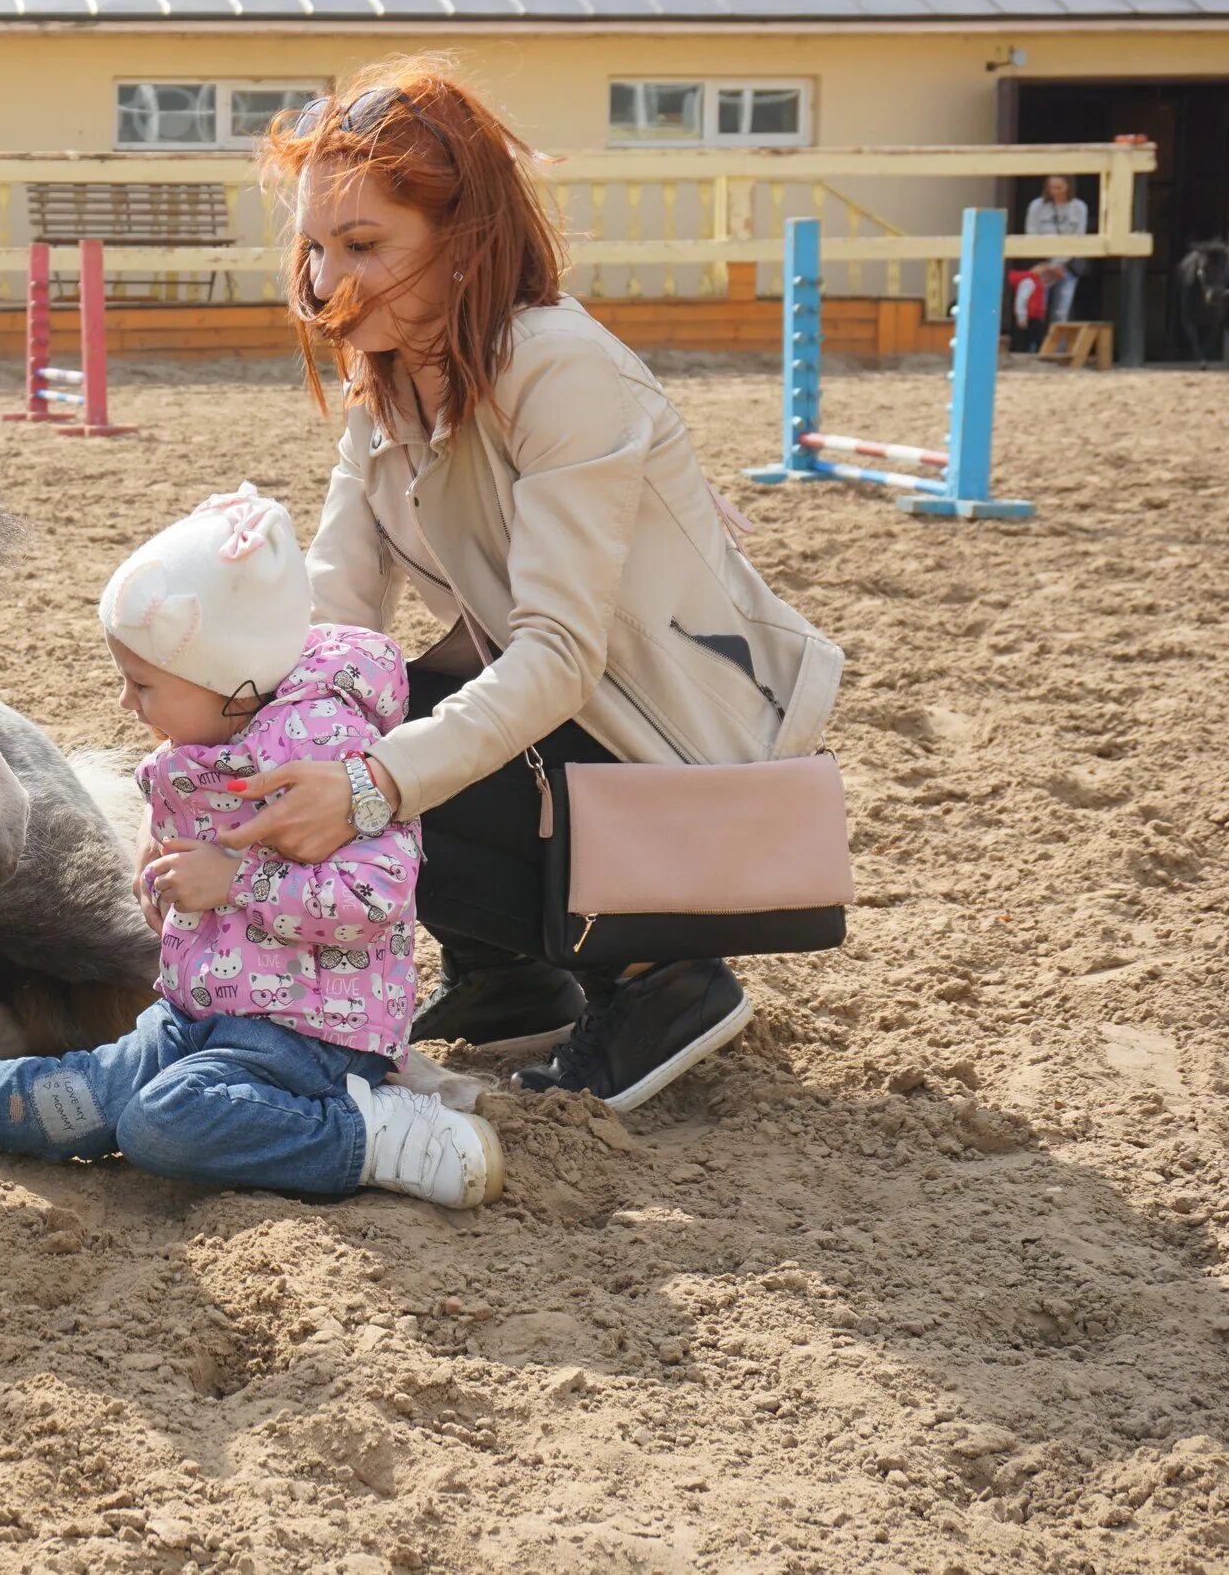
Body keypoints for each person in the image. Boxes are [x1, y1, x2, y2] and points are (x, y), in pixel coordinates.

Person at [201, 59, 841, 1112]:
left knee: (393, 763)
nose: (322, 282)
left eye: (364, 247)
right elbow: (335, 608)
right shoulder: (392, 382)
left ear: (465, 248)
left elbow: (558, 652)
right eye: (314, 246)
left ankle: (659, 978)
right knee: (347, 715)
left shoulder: (559, 368)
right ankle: (509, 974)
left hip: (692, 761)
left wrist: (365, 788)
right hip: (584, 729)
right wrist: (231, 730)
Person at [0, 485, 503, 1209]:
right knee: (69, 1103)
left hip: (307, 1038)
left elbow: (375, 897)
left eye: (143, 684)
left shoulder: (324, 751)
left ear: (228, 678)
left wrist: (235, 884)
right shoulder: (208, 738)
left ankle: (369, 1134)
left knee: (162, 1125)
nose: (128, 704)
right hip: (195, 1016)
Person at [1025, 175, 1087, 322]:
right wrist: (1048, 265)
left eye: (1059, 188)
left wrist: (1061, 265)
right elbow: (1031, 234)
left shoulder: (1079, 207)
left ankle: (1060, 346)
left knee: (1061, 313)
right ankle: (1037, 344)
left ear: (1068, 187)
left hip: (1067, 266)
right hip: (1043, 264)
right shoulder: (1037, 206)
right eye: (1052, 188)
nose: (1055, 192)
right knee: (1037, 310)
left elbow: (1080, 237)